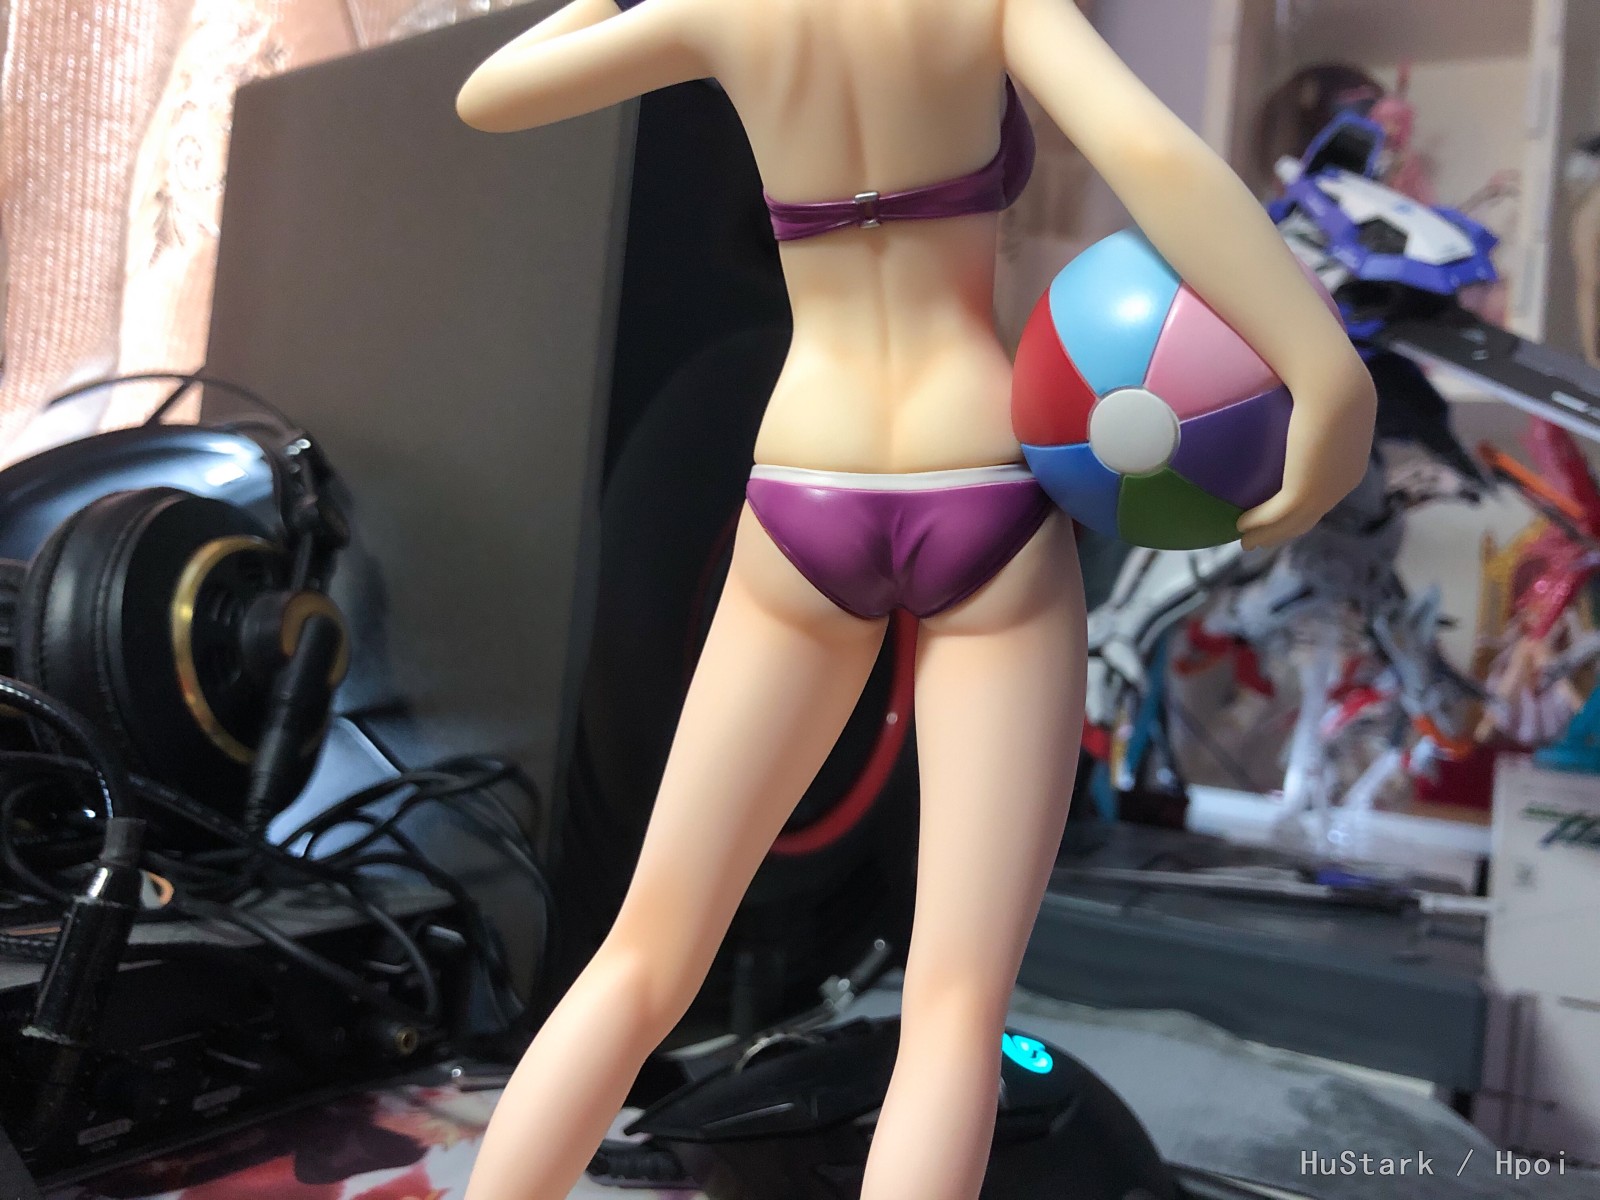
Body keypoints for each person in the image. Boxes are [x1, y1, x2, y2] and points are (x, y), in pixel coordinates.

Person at [454, 2, 1375, 1197]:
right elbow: (1148, 153)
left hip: (804, 479)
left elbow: (490, 95)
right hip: (974, 473)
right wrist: (1325, 369)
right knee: (953, 1009)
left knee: (641, 959)